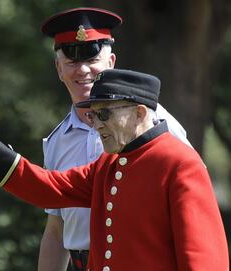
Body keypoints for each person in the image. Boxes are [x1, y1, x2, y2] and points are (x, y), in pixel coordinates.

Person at [0, 68, 229, 270]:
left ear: (140, 114)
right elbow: (48, 187)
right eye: (93, 114)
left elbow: (203, 260)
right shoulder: (110, 162)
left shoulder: (180, 163)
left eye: (105, 113)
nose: (96, 124)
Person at [37, 7, 192, 271]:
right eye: (72, 62)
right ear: (59, 69)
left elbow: (189, 205)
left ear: (111, 63)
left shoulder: (152, 123)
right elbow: (56, 230)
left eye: (93, 59)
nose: (83, 70)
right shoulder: (56, 141)